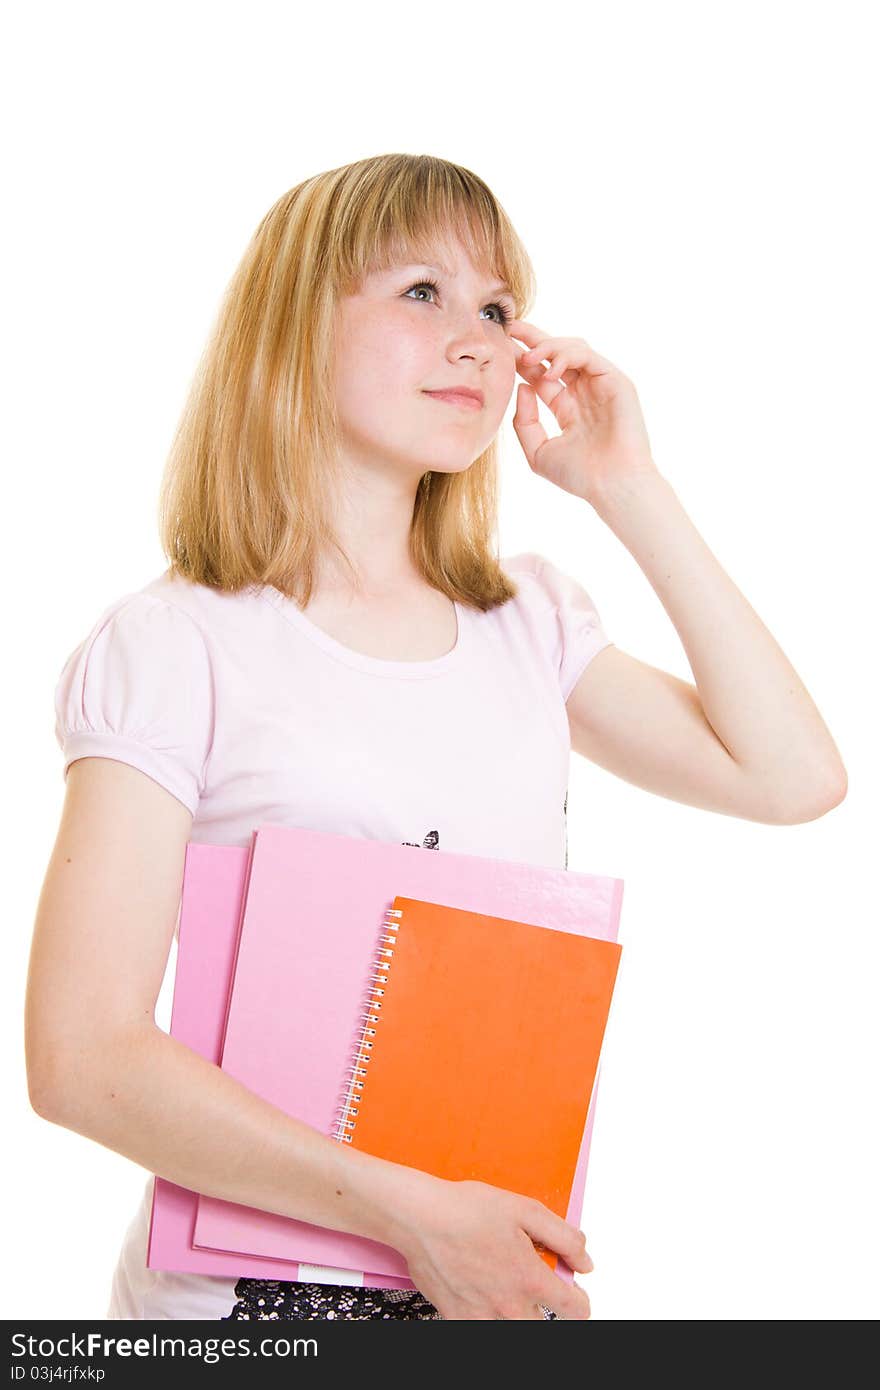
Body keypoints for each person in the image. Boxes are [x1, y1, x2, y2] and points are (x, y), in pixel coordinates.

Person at [25, 152, 847, 1323]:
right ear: (292, 324)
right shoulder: (176, 643)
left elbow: (792, 777)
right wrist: (413, 1214)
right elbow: (81, 1056)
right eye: (421, 293)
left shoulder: (527, 622)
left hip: (491, 1287)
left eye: (498, 307)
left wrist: (628, 484)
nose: (480, 340)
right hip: (242, 1313)